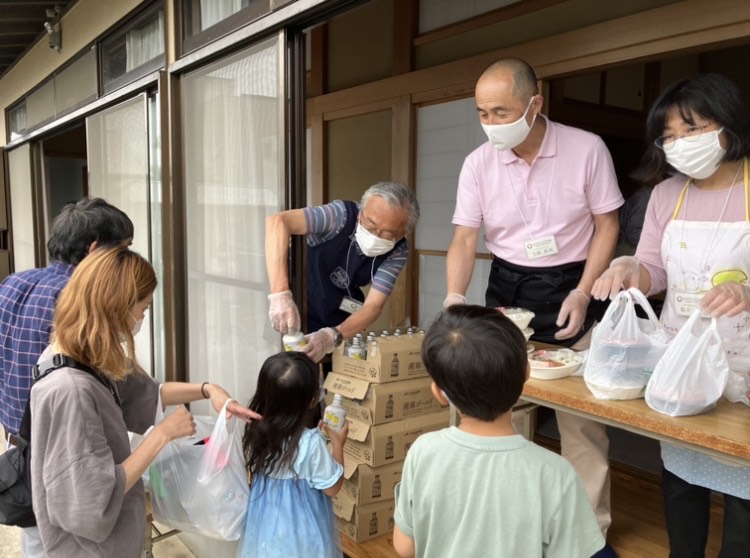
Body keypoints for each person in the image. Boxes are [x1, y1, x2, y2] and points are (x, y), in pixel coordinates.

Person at [443, 58, 623, 553]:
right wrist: (456, 299)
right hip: (507, 288)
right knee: (495, 406)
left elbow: (608, 224)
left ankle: (589, 534)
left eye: (502, 111)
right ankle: (507, 521)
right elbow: (464, 238)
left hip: (572, 280)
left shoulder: (586, 148)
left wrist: (585, 290)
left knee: (581, 421)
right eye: (482, 112)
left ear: (534, 104)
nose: (491, 123)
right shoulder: (478, 163)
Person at [591, 72, 750, 558]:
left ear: (727, 124)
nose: (679, 144)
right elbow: (656, 272)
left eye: (692, 129)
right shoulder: (666, 194)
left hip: (744, 363)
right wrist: (627, 270)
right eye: (669, 136)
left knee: (744, 495)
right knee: (682, 481)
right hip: (681, 357)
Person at [29, 246, 261, 557]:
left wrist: (209, 390)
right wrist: (163, 435)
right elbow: (90, 502)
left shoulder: (85, 356)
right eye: (144, 307)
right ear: (117, 307)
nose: (142, 317)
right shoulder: (69, 389)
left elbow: (148, 393)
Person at [392, 304, 604, 558]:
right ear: (526, 373)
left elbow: (405, 547)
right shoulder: (556, 473)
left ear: (438, 393)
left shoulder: (423, 451)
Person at [0, 197, 133, 557]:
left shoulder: (13, 283)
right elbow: (112, 386)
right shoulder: (79, 306)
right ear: (94, 250)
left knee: (38, 541)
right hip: (63, 453)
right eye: (123, 251)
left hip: (17, 445)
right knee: (66, 543)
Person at [265, 181, 420, 362]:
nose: (375, 236)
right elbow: (277, 222)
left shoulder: (398, 251)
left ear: (403, 233)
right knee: (287, 371)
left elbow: (373, 305)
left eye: (387, 234)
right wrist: (280, 294)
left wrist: (332, 336)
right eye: (370, 225)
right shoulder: (340, 215)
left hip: (339, 316)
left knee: (333, 374)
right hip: (296, 304)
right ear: (361, 212)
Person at [237, 351, 348, 557]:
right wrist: (338, 445)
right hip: (303, 536)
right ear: (311, 399)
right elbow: (332, 488)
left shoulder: (255, 429)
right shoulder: (311, 443)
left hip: (267, 528)